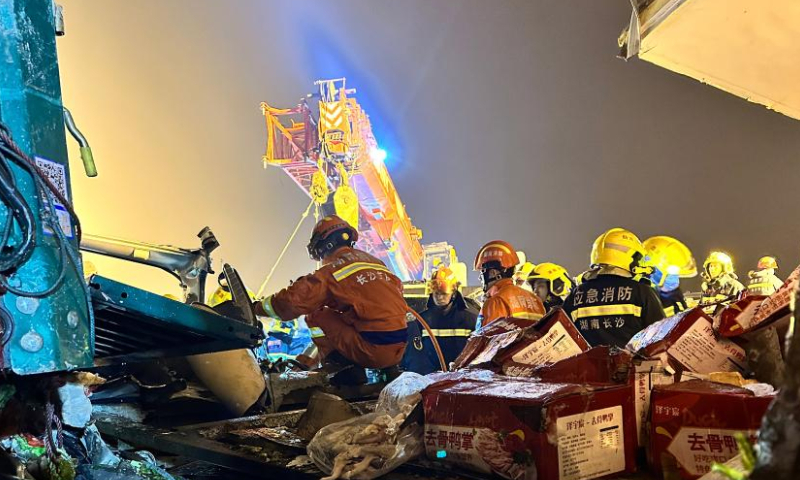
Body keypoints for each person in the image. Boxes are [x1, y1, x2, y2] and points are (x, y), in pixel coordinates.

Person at [254, 215, 408, 375]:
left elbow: (291, 303)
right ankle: (388, 371)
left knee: (316, 314)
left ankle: (342, 369)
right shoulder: (377, 264)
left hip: (372, 351)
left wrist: (256, 308)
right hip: (399, 349)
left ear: (323, 247)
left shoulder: (333, 271)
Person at [562, 228, 665, 347]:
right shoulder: (642, 292)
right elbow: (660, 337)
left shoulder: (576, 294)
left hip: (589, 365)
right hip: (633, 365)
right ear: (630, 258)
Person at [402, 266, 478, 375]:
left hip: (460, 378)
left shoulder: (470, 319)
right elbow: (416, 356)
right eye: (437, 293)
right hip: (430, 378)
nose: (440, 297)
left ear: (454, 293)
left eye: (444, 294)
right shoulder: (421, 319)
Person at [474, 240, 546, 328]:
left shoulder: (496, 301)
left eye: (482, 272)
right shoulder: (535, 300)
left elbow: (486, 338)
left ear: (493, 273)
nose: (480, 278)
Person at [643, 236, 698, 317]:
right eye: (670, 274)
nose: (675, 280)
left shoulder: (673, 295)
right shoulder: (640, 295)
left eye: (675, 275)